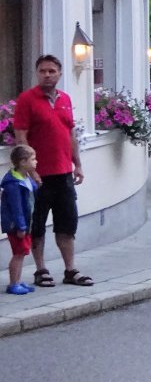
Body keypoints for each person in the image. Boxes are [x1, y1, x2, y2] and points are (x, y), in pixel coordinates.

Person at [13, 54, 93, 287]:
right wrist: (30, 171)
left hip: (63, 173)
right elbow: (20, 136)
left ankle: (70, 270)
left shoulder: (65, 99)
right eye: (42, 71)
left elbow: (70, 135)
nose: (47, 75)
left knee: (67, 224)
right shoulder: (27, 100)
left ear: (59, 74)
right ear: (37, 73)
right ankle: (41, 270)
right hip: (38, 176)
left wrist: (77, 164)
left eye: (51, 71)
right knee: (37, 225)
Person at [2, 144, 40, 295]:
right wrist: (21, 226)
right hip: (17, 226)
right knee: (18, 253)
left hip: (26, 223)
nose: (36, 161)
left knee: (22, 252)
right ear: (23, 162)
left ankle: (17, 280)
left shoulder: (25, 177)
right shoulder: (13, 184)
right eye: (33, 159)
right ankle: (13, 283)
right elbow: (16, 207)